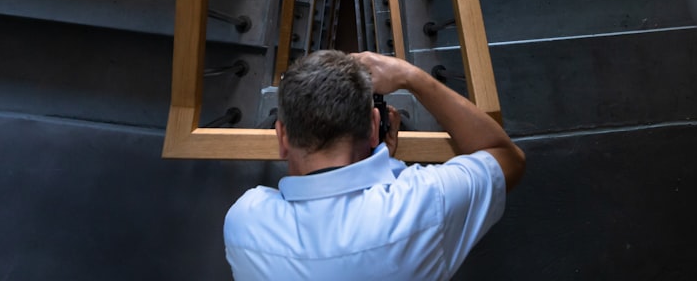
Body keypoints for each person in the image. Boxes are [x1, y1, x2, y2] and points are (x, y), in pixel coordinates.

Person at [223, 50, 526, 280]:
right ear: (373, 127)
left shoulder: (244, 223)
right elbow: (506, 155)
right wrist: (412, 76)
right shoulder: (426, 203)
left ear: (282, 136)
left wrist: (386, 167)